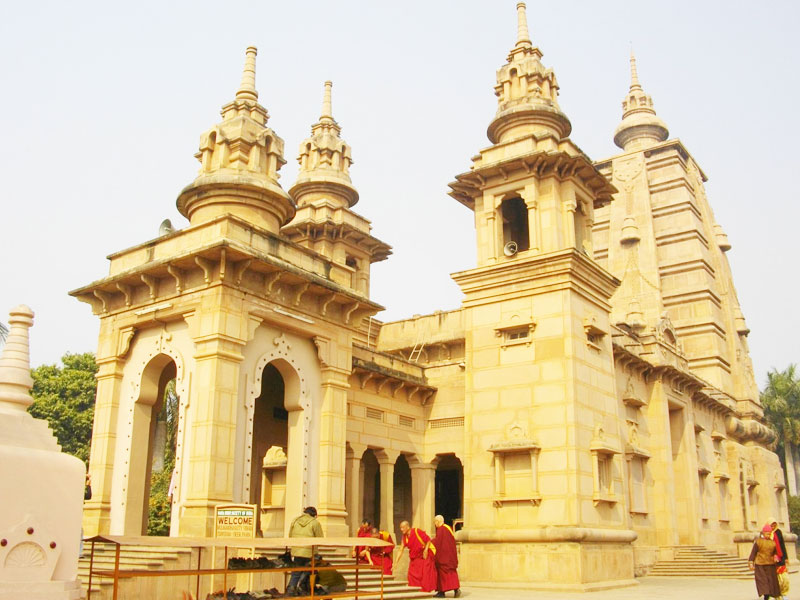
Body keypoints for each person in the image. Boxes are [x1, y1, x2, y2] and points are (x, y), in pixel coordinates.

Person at [286, 506, 323, 597]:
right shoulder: (315, 523)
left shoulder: (295, 521)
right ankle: (303, 587)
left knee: (296, 571)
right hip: (309, 551)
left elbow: (290, 535)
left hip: (297, 550)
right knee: (309, 571)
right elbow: (320, 538)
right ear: (314, 515)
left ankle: (291, 588)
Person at [395, 520, 437, 592]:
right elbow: (401, 549)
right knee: (411, 575)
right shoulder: (404, 537)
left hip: (423, 557)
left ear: (408, 527)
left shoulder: (417, 531)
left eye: (403, 527)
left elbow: (428, 540)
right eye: (400, 528)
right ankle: (415, 591)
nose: (401, 530)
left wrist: (426, 550)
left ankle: (426, 591)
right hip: (414, 559)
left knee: (425, 575)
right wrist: (396, 562)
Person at [749, 523, 781, 600]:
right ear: (763, 533)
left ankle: (769, 595)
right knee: (762, 581)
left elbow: (775, 552)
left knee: (771, 581)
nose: (768, 535)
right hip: (760, 564)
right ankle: (765, 594)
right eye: (767, 533)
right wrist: (751, 562)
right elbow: (753, 552)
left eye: (769, 534)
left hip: (770, 564)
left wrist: (776, 557)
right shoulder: (758, 542)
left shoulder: (772, 542)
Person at [431, 515, 461, 598]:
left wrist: (429, 542)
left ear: (438, 521)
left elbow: (438, 542)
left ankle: (442, 592)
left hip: (443, 557)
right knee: (452, 574)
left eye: (435, 522)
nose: (435, 524)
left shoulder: (441, 530)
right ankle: (455, 589)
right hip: (450, 555)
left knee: (442, 574)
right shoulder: (448, 528)